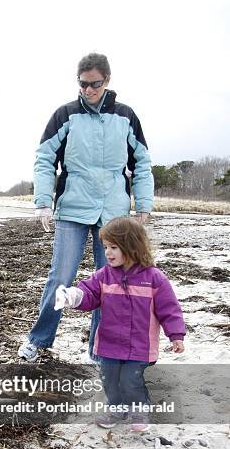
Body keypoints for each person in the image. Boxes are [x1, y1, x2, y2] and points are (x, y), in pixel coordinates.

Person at [18, 52, 154, 362]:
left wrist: (143, 204)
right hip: (73, 208)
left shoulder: (126, 116)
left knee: (109, 279)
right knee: (60, 276)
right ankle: (38, 340)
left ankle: (98, 348)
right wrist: (42, 201)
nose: (88, 90)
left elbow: (142, 163)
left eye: (94, 84)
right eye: (83, 84)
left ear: (107, 81)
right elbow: (44, 158)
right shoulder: (65, 114)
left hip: (114, 213)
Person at [55, 217, 185, 432]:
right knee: (109, 379)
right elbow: (88, 294)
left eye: (114, 247)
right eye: (105, 247)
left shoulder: (154, 278)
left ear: (132, 246)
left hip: (140, 345)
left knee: (130, 380)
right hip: (109, 343)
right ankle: (116, 408)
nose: (107, 252)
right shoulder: (103, 276)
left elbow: (169, 309)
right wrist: (73, 297)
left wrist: (176, 335)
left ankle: (139, 409)